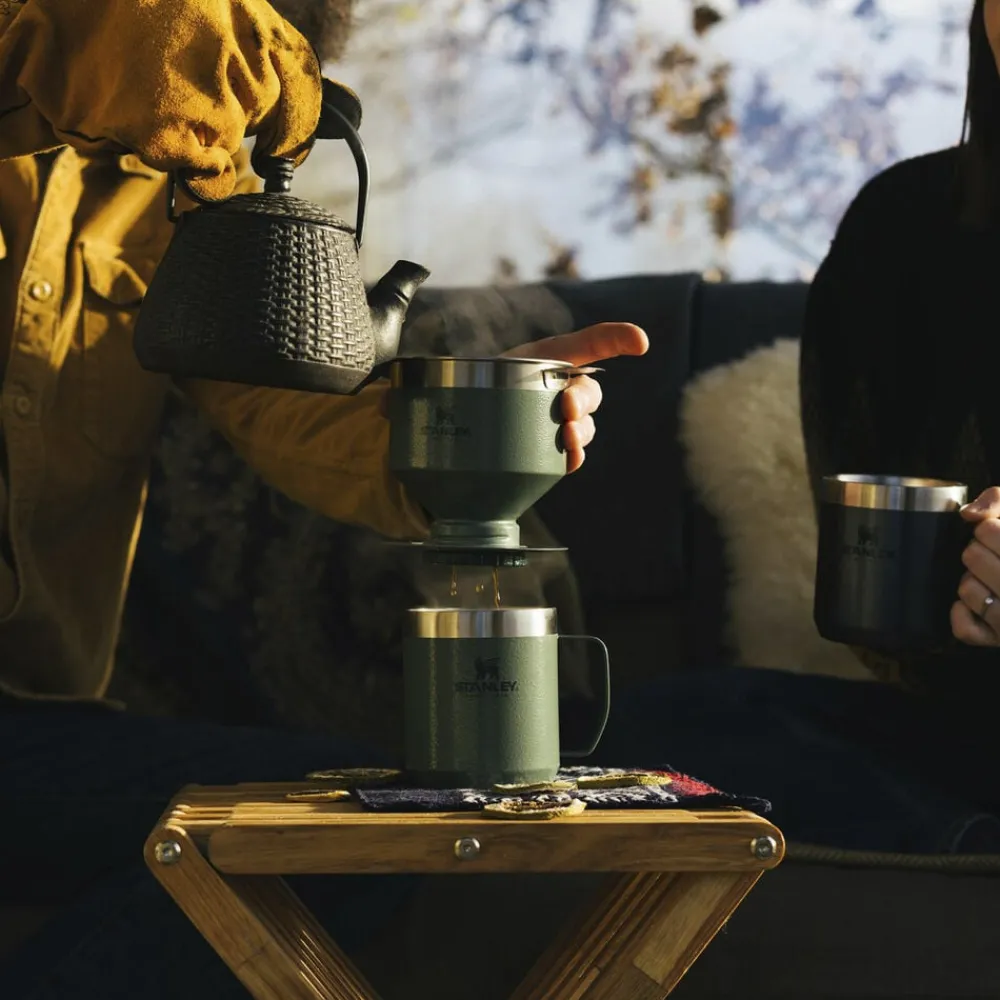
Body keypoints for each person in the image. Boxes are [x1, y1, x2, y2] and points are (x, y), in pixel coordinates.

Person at [0, 1, 648, 997]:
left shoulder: (180, 180)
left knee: (356, 835)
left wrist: (465, 424)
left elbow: (278, 400)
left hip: (32, 724)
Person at [598, 0, 1000, 861]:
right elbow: (883, 599)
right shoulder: (906, 225)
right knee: (653, 726)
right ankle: (961, 848)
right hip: (962, 740)